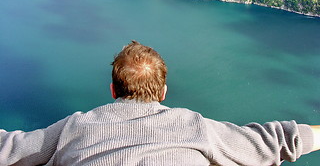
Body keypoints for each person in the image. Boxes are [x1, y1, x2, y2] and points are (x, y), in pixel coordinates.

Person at [0, 40, 319, 166]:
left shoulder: (76, 126)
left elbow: (11, 149)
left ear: (113, 90)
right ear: (163, 92)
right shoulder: (193, 126)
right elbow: (273, 141)